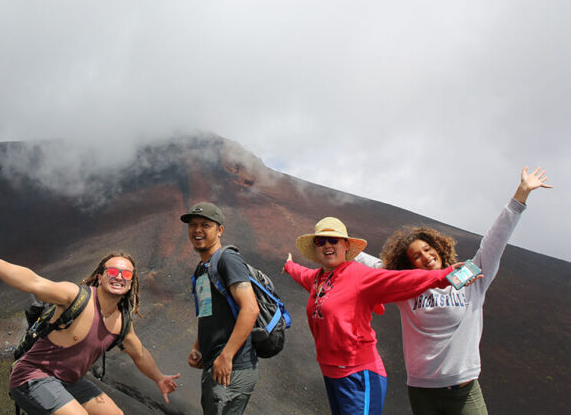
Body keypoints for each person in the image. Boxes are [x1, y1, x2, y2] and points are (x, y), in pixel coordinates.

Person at [352, 167, 552, 415]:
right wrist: (338, 245)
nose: (425, 256)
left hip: (464, 392)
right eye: (416, 255)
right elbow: (374, 265)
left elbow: (493, 242)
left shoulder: (471, 278)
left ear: (438, 247)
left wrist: (520, 196)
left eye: (427, 249)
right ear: (409, 264)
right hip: (422, 391)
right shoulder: (408, 288)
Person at [0, 240, 179, 415]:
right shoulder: (76, 297)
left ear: (132, 283)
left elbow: (139, 354)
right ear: (101, 276)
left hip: (70, 382)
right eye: (113, 271)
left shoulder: (122, 322)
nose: (119, 277)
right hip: (33, 377)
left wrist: (159, 378)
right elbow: (35, 282)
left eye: (127, 275)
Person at [283, 216, 466, 415]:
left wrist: (442, 276)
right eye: (321, 241)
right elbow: (301, 273)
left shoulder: (359, 276)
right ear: (316, 248)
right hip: (331, 373)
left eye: (333, 240)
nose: (327, 245)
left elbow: (400, 280)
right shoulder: (317, 278)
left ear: (346, 245)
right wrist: (289, 266)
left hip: (359, 375)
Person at [181, 202, 260, 415]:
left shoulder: (228, 259)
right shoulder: (202, 268)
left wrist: (226, 356)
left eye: (205, 225)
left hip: (233, 366)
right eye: (193, 225)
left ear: (220, 230)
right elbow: (207, 312)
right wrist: (198, 346)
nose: (197, 230)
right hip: (215, 363)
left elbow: (250, 308)